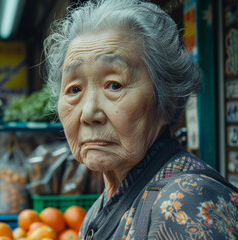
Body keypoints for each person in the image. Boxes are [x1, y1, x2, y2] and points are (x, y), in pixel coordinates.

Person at [43, 0, 238, 239]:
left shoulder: (182, 205)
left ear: (168, 101)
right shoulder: (101, 208)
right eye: (74, 90)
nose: (89, 113)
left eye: (114, 85)